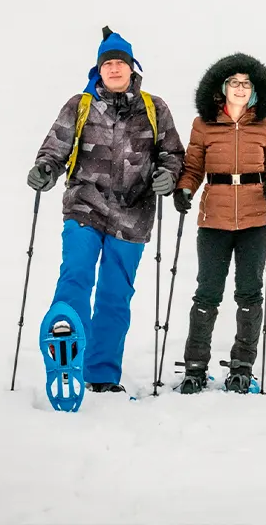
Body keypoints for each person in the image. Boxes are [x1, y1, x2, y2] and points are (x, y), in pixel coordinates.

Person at [27, 27, 185, 393]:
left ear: (132, 68)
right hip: (85, 204)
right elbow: (55, 148)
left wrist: (167, 176)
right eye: (108, 63)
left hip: (134, 212)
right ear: (99, 70)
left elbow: (172, 154)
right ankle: (66, 350)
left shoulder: (154, 108)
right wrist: (46, 170)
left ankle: (101, 374)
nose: (114, 69)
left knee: (116, 294)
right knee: (77, 274)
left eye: (120, 63)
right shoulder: (79, 105)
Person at [171, 53, 266, 394]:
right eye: (234, 82)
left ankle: (242, 365)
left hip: (256, 217)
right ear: (222, 87)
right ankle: (195, 366)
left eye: (246, 83)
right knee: (207, 293)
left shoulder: (265, 125)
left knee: (250, 293)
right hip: (214, 219)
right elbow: (193, 167)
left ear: (255, 90)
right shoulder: (203, 124)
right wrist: (184, 189)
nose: (240, 88)